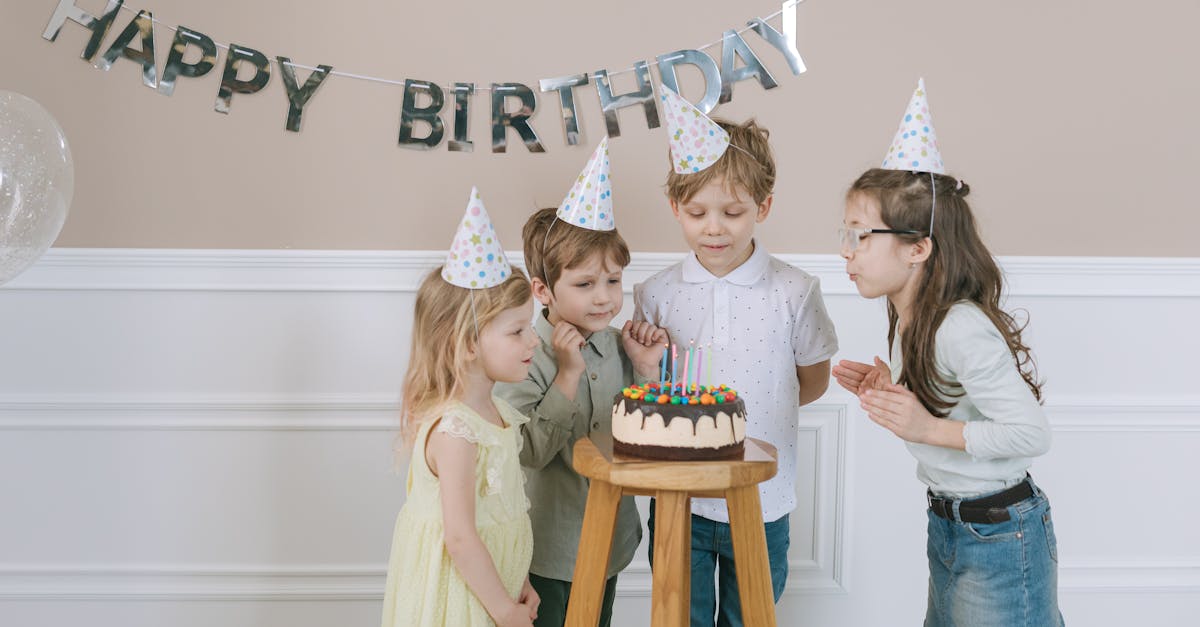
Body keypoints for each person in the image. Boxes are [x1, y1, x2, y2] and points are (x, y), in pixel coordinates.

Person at [832, 80, 1063, 626]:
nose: (847, 251)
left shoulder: (958, 326)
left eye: (861, 236)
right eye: (846, 234)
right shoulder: (907, 313)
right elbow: (948, 406)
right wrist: (895, 393)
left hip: (1000, 534)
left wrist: (924, 427)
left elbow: (1032, 434)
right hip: (951, 524)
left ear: (917, 248)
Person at [634, 88, 839, 626]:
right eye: (697, 212)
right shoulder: (655, 294)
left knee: (751, 617)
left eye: (732, 211)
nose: (714, 227)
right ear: (675, 208)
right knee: (681, 618)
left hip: (762, 500)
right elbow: (649, 384)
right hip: (679, 497)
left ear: (762, 208)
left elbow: (811, 381)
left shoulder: (794, 290)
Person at [496, 138, 667, 627]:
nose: (604, 298)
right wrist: (567, 375)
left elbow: (649, 441)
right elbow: (525, 453)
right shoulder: (524, 355)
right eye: (585, 284)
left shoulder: (619, 346)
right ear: (544, 290)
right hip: (546, 549)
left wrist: (648, 368)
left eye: (613, 281)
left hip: (609, 539)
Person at [382, 188, 541, 627]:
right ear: (470, 344)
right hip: (461, 593)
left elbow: (506, 510)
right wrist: (504, 609)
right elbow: (460, 537)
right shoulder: (455, 432)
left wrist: (518, 579)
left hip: (492, 584)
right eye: (517, 332)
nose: (534, 341)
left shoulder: (498, 414)